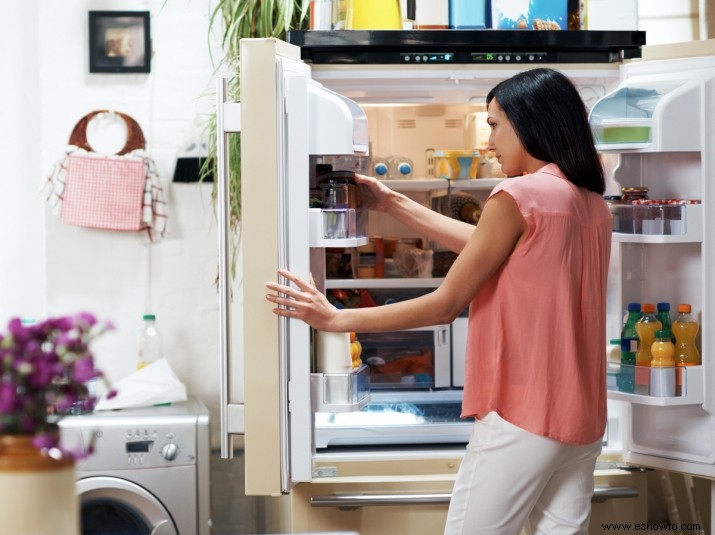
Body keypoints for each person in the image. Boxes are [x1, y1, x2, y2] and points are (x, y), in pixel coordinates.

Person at [266, 67, 612, 535]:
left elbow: (444, 304)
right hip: (583, 418)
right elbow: (487, 245)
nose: (489, 143)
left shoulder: (519, 194)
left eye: (493, 125)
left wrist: (334, 318)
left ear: (530, 122)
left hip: (525, 413)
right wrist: (391, 202)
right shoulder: (588, 201)